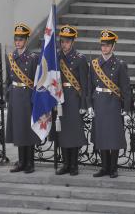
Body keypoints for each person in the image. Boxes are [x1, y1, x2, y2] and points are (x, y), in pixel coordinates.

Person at [88, 29, 131, 178]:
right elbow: (90, 86)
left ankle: (113, 167)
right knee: (101, 136)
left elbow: (126, 89)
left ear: (113, 47)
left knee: (113, 137)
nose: (104, 48)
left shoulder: (120, 64)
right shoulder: (94, 64)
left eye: (107, 45)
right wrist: (89, 105)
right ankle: (104, 167)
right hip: (99, 102)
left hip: (113, 103)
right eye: (102, 45)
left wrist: (126, 109)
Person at [6, 22, 40, 174]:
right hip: (15, 97)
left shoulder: (33, 58)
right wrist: (8, 94)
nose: (18, 42)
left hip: (28, 97)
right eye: (16, 39)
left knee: (28, 130)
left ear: (26, 40)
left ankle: (30, 163)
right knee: (19, 130)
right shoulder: (11, 57)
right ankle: (21, 161)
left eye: (21, 39)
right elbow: (8, 79)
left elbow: (37, 81)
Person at [56, 25, 88, 176]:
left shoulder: (80, 59)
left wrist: (83, 104)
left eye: (67, 42)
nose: (64, 45)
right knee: (62, 133)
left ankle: (74, 165)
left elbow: (84, 84)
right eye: (62, 41)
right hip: (60, 99)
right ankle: (66, 164)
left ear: (73, 42)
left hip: (74, 99)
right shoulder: (56, 57)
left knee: (73, 133)